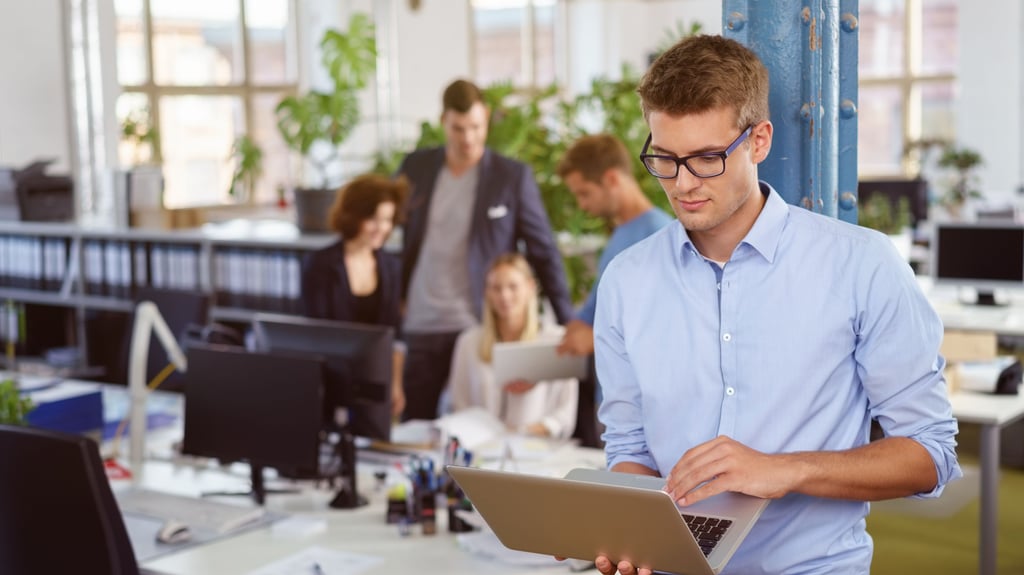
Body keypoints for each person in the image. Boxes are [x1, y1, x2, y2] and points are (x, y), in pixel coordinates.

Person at [591, 35, 961, 575]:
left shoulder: (862, 265)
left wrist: (783, 470)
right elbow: (630, 450)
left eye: (708, 159)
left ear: (758, 140)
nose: (683, 183)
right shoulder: (626, 280)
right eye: (665, 159)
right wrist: (622, 527)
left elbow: (931, 454)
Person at [397, 79, 573, 421]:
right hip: (422, 322)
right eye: (458, 128)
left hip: (479, 327)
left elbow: (543, 251)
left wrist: (567, 322)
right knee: (417, 429)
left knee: (480, 427)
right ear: (443, 121)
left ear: (487, 119)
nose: (468, 138)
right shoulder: (416, 167)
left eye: (476, 127)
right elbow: (387, 224)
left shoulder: (511, 177)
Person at [554, 134, 673, 446]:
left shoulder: (659, 236)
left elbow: (664, 329)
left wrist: (591, 338)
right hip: (613, 407)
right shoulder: (621, 235)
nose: (582, 204)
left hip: (648, 415)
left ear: (611, 179)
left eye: (585, 193)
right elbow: (593, 313)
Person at [301, 173, 408, 418]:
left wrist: (396, 383)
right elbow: (314, 334)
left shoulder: (391, 267)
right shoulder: (319, 266)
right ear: (353, 215)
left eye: (388, 220)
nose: (382, 228)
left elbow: (395, 334)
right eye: (374, 219)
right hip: (329, 384)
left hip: (375, 381)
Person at [446, 253, 578, 439]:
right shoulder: (468, 342)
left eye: (513, 287)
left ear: (530, 287)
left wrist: (518, 434)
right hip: (481, 451)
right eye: (496, 288)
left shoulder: (556, 341)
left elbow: (564, 416)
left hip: (537, 451)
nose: (504, 295)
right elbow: (458, 404)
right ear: (487, 292)